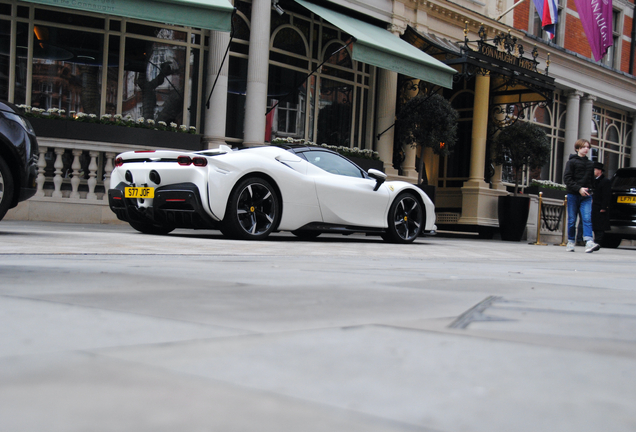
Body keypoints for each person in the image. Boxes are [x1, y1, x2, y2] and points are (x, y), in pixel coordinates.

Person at [563, 139, 599, 253]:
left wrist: (591, 192)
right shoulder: (571, 162)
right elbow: (567, 179)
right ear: (577, 148)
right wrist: (579, 189)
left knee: (587, 218)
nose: (586, 149)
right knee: (572, 220)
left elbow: (592, 181)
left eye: (588, 147)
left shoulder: (590, 164)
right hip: (573, 194)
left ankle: (589, 241)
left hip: (587, 195)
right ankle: (571, 241)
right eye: (584, 147)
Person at [592, 161, 611, 245]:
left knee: (600, 225)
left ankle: (598, 241)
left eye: (594, 169)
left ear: (599, 171)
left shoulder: (605, 181)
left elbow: (606, 195)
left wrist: (604, 207)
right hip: (594, 206)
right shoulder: (594, 181)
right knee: (595, 224)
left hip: (600, 206)